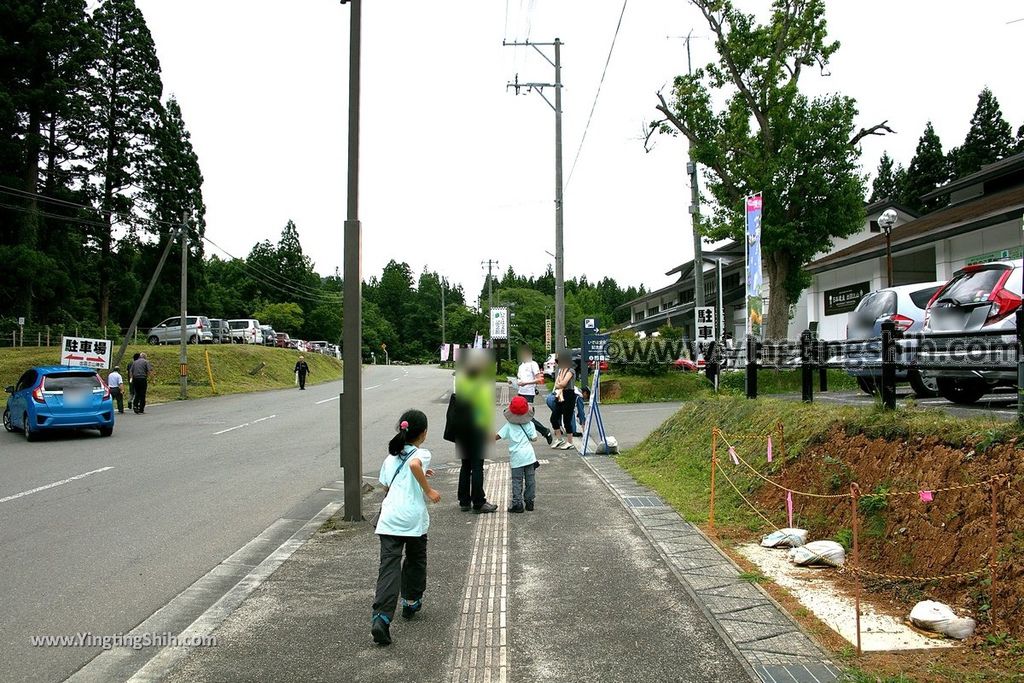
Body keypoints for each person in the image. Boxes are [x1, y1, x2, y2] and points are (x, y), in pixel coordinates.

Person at [371, 410, 441, 646]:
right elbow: (413, 464)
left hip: (389, 519)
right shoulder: (422, 453)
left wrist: (422, 474)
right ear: (423, 433)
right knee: (415, 559)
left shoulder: (390, 458)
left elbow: (386, 487)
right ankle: (411, 601)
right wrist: (429, 490)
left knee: (388, 567)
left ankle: (381, 617)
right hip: (412, 520)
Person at [451, 349, 497, 514]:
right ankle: (479, 502)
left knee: (465, 465)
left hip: (462, 428)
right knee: (477, 466)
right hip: (476, 428)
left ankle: (464, 501)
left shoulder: (461, 381)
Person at [496, 395, 538, 513]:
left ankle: (517, 504)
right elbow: (534, 438)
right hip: (529, 456)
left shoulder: (509, 426)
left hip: (517, 458)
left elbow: (496, 436)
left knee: (517, 481)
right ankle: (530, 502)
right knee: (530, 480)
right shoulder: (530, 424)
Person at [512, 345, 554, 445]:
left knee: (527, 416)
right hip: (520, 392)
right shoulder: (521, 365)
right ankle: (528, 435)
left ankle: (545, 431)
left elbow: (539, 379)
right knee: (519, 414)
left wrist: (526, 383)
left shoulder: (533, 364)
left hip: (529, 393)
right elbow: (520, 380)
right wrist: (514, 383)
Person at [550, 350, 576, 450]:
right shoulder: (560, 371)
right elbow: (556, 384)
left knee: (567, 420)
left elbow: (563, 384)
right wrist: (559, 385)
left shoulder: (571, 371)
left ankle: (570, 442)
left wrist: (559, 384)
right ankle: (559, 439)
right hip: (559, 395)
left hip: (569, 395)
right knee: (554, 418)